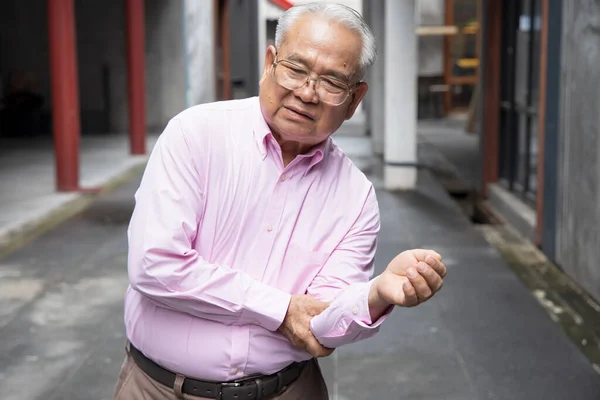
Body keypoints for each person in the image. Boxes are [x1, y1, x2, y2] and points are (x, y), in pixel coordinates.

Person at [114, 3, 446, 400]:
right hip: (159, 389)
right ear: (270, 62)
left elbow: (320, 323)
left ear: (355, 99)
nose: (307, 93)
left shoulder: (356, 197)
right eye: (296, 68)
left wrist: (376, 294)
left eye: (332, 82)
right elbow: (155, 265)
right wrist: (280, 308)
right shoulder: (194, 135)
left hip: (286, 390)